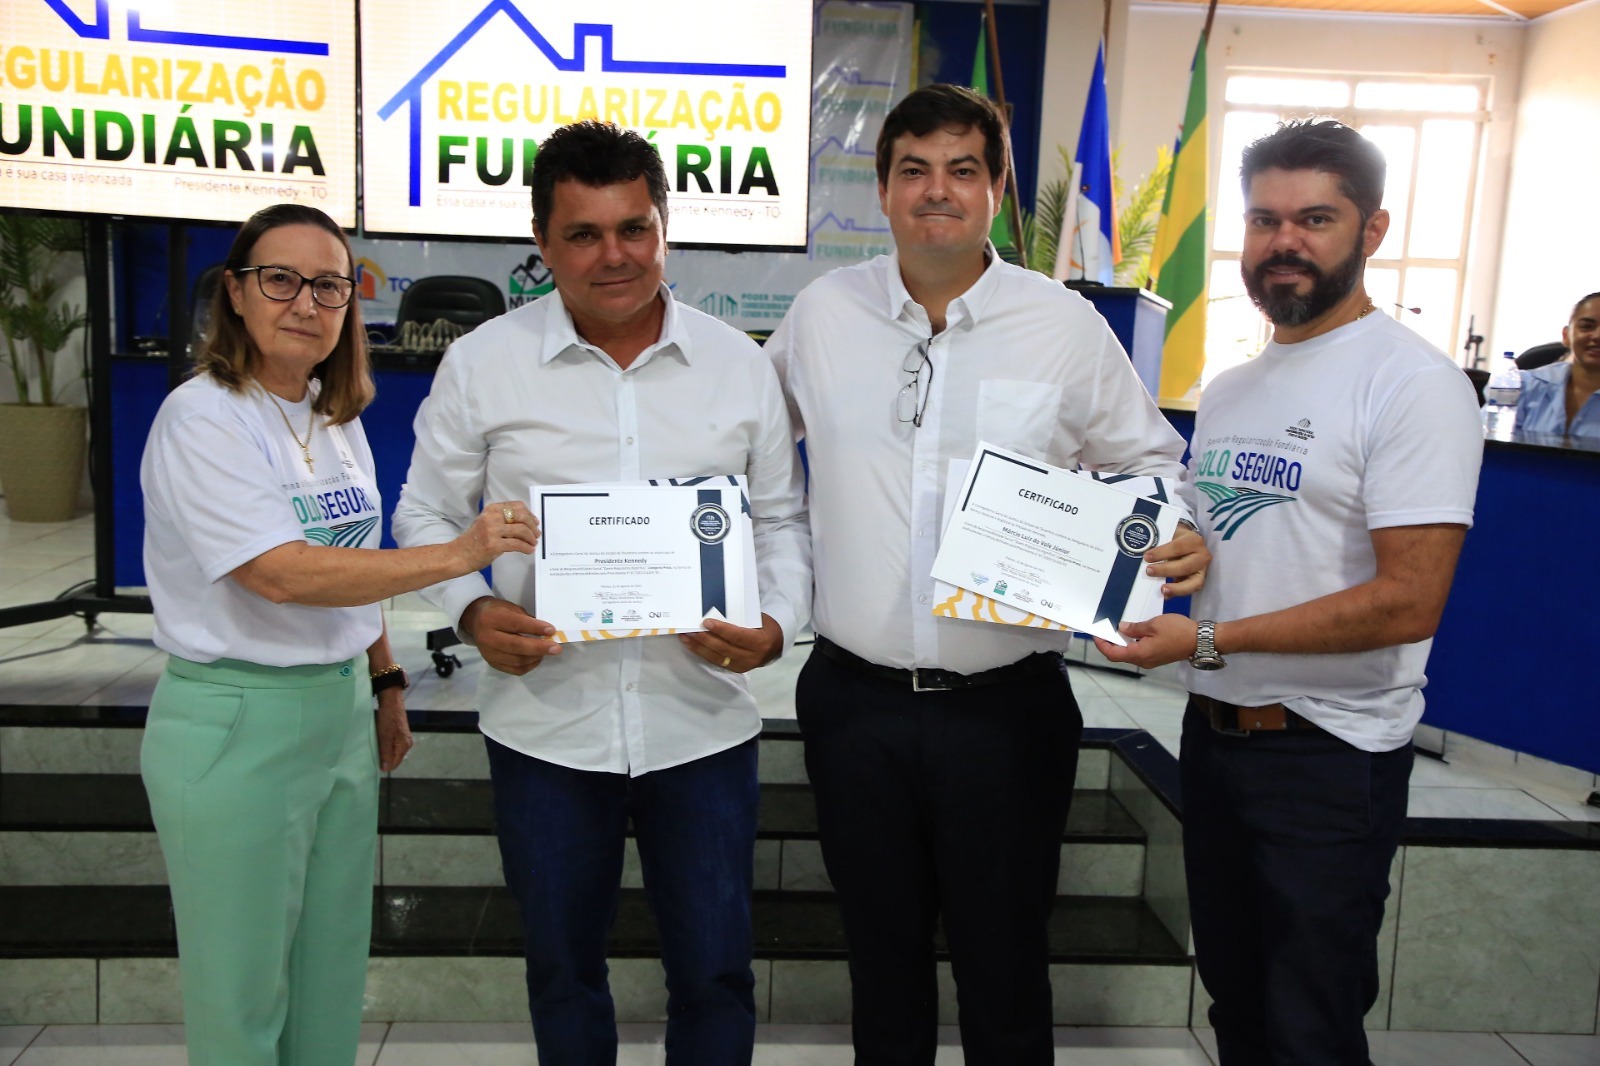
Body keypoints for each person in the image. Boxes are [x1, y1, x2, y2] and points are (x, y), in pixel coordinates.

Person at [764, 84, 1208, 1065]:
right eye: (914, 170)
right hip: (854, 707)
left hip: (1007, 714)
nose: (937, 190)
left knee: (1004, 971)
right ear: (883, 188)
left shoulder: (1062, 326)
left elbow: (1151, 463)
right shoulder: (822, 315)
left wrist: (1162, 533)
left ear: (995, 190)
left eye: (962, 170)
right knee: (880, 966)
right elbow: (750, 455)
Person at [391, 121, 809, 1065]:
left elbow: (783, 521)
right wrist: (472, 610)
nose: (614, 255)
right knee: (562, 973)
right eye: (583, 233)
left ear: (665, 230)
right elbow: (424, 513)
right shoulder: (484, 363)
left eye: (634, 228)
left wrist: (777, 624)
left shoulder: (738, 366)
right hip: (547, 728)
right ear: (542, 244)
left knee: (715, 975)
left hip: (701, 725)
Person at [1097, 120, 1484, 1065]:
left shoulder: (1414, 385)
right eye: (1264, 219)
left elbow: (1409, 601)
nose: (1284, 242)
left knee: (1310, 1027)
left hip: (1329, 755)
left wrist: (1208, 640)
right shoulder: (1234, 387)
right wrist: (1180, 546)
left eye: (1315, 219)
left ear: (1372, 229)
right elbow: (1221, 535)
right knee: (1238, 1008)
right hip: (1215, 740)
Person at [139, 203, 540, 1066]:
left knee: (327, 981)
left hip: (338, 714)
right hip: (235, 722)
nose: (305, 303)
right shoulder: (202, 418)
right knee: (242, 997)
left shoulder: (331, 414)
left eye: (328, 286)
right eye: (279, 280)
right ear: (235, 293)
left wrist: (385, 679)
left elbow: (349, 565)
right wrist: (460, 553)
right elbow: (281, 573)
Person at [1517, 292, 1600, 438]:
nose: (1597, 336)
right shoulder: (1525, 386)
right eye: (1586, 326)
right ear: (1566, 336)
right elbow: (1483, 439)